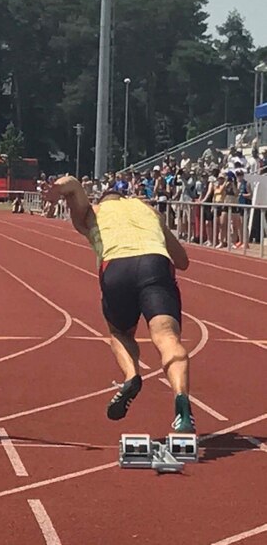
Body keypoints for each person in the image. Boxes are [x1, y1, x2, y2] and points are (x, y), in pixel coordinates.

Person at [46, 176, 195, 433]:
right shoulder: (148, 211)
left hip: (116, 267)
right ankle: (182, 405)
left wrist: (56, 191)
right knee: (167, 338)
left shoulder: (93, 213)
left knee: (119, 333)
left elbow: (71, 183)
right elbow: (182, 261)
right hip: (155, 264)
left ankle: (131, 375)